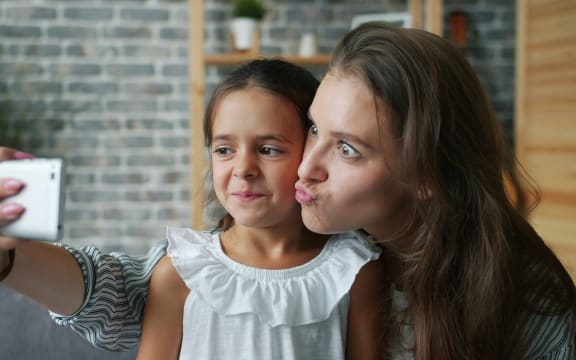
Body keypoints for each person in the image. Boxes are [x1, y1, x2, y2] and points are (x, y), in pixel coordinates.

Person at [1, 23, 575, 359]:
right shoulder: (206, 262)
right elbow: (118, 290)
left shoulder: (527, 305)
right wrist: (10, 255)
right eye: (316, 130)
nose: (307, 168)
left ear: (426, 176)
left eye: (348, 148)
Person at [137, 58, 385, 359]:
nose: (243, 169)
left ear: (311, 151)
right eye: (224, 150)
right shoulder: (179, 272)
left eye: (268, 150)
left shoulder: (354, 270)